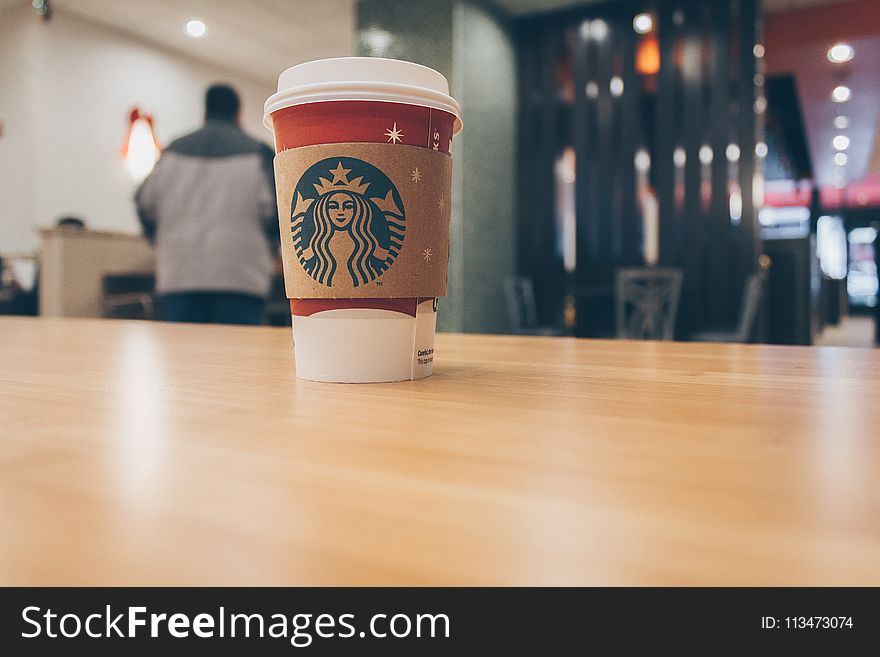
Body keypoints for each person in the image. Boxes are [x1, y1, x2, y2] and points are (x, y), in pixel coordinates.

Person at [135, 84, 277, 325]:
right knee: (238, 358)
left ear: (204, 114)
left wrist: (157, 237)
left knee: (184, 357)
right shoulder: (258, 153)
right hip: (240, 278)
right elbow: (276, 214)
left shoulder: (170, 154)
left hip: (179, 275)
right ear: (238, 115)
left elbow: (145, 204)